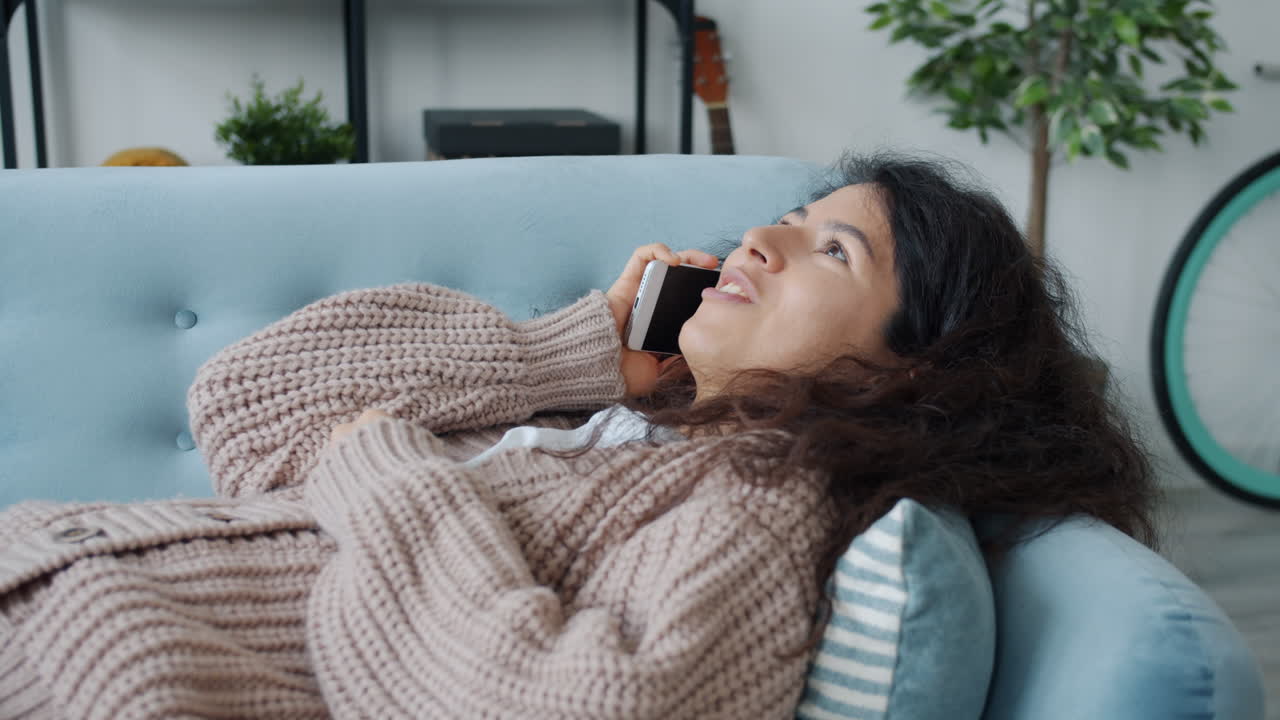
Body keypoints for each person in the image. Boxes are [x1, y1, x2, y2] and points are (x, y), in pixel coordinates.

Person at [0, 151, 1157, 719]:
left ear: (909, 366)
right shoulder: (613, 421)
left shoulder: (756, 503)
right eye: (789, 219)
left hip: (99, 665)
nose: (759, 239)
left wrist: (382, 471)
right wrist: (576, 350)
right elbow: (247, 401)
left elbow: (577, 704)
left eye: (831, 251)